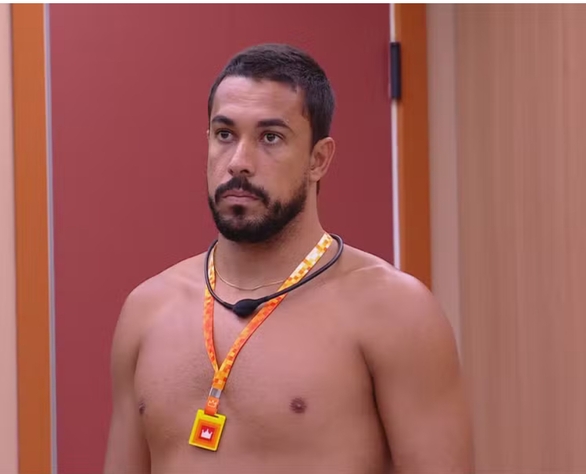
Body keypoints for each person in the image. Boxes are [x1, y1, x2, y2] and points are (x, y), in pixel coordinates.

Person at [104, 43, 473, 474]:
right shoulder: (148, 310)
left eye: (270, 138)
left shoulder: (394, 311)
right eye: (225, 134)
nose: (239, 162)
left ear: (319, 159)